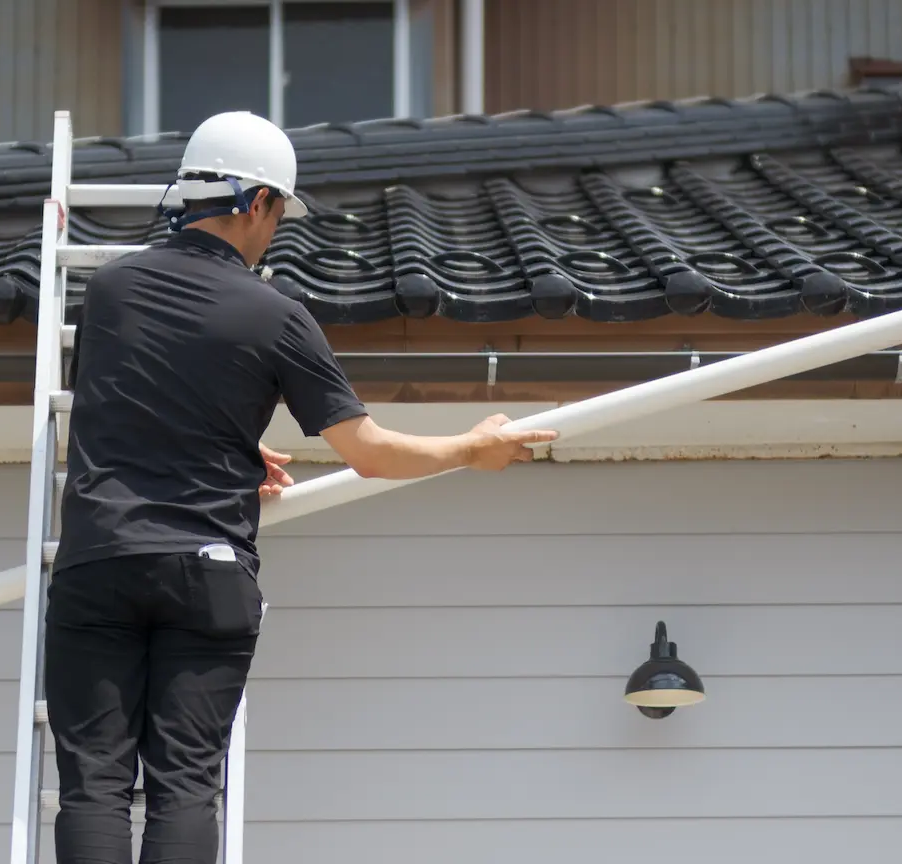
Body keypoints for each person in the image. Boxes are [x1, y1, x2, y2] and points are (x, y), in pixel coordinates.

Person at [45, 110, 559, 864]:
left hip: (100, 559)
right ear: (255, 202)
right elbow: (371, 452)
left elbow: (114, 405)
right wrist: (473, 448)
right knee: (184, 785)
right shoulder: (277, 316)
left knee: (94, 785)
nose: (276, 229)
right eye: (280, 211)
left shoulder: (112, 291)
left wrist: (227, 444)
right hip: (206, 571)